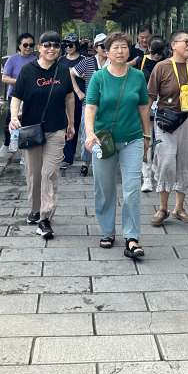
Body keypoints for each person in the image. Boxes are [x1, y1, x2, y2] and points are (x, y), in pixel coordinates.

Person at [85, 32, 151, 259]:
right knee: (104, 188)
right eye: (115, 47)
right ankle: (107, 230)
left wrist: (147, 135)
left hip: (132, 138)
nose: (120, 51)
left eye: (124, 47)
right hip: (104, 140)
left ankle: (132, 237)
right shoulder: (99, 77)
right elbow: (90, 107)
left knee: (132, 189)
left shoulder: (138, 76)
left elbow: (143, 107)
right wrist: (90, 132)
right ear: (106, 51)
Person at [9, 30, 75, 239]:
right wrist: (13, 117)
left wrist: (71, 123)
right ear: (39, 48)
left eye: (55, 45)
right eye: (47, 45)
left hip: (57, 129)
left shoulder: (63, 71)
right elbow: (16, 97)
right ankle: (35, 209)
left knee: (49, 173)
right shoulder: (28, 71)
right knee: (34, 174)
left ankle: (45, 218)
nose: (51, 49)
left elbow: (69, 97)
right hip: (32, 130)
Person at [148, 30, 188, 226]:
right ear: (174, 45)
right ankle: (162, 208)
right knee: (166, 161)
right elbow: (150, 96)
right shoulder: (161, 67)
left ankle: (179, 208)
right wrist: (143, 124)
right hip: (166, 121)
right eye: (186, 42)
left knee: (185, 162)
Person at [131, 36, 166, 192]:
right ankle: (146, 177)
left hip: (163, 106)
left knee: (162, 141)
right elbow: (127, 69)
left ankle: (158, 171)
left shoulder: (167, 62)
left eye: (159, 53)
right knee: (146, 140)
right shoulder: (141, 61)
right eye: (154, 52)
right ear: (149, 49)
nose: (157, 56)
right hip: (144, 105)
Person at [73, 32, 109, 177]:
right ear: (95, 47)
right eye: (102, 46)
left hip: (108, 105)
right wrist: (78, 91)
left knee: (106, 133)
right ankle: (85, 163)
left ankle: (103, 160)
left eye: (108, 45)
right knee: (87, 133)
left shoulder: (113, 62)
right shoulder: (88, 61)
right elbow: (71, 73)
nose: (105, 49)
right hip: (89, 104)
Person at [0, 32, 36, 160]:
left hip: (31, 96)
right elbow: (4, 78)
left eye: (31, 45)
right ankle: (7, 142)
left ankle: (24, 151)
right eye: (25, 45)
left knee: (28, 122)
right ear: (19, 45)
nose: (28, 47)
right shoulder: (12, 59)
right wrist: (20, 82)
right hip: (14, 96)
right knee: (11, 120)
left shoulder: (36, 60)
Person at [59, 33, 85, 169]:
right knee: (63, 124)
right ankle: (63, 155)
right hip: (63, 96)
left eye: (71, 45)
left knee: (74, 124)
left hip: (79, 97)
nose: (68, 47)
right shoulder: (60, 60)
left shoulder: (84, 60)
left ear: (76, 46)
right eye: (65, 45)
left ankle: (69, 156)